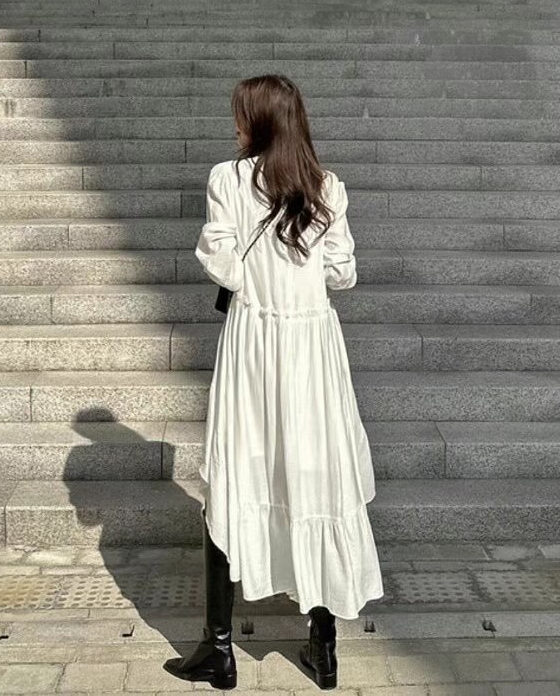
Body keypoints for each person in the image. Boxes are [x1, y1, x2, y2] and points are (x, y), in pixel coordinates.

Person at [163, 73, 384, 690]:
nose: (235, 125)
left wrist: (258, 275)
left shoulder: (227, 179)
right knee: (317, 476)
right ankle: (323, 647)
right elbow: (342, 274)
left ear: (259, 122)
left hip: (254, 345)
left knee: (235, 473)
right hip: (312, 350)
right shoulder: (327, 187)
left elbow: (221, 262)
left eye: (241, 115)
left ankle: (219, 648)